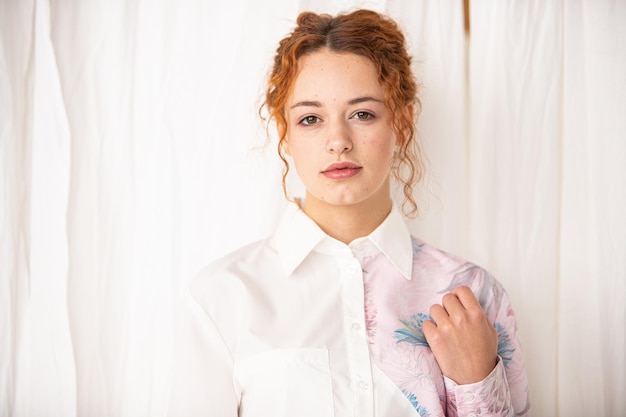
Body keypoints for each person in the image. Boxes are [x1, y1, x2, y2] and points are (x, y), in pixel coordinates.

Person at [168, 9, 529, 417]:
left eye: (362, 114)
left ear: (403, 123)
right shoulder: (223, 296)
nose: (338, 141)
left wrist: (477, 384)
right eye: (310, 118)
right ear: (285, 134)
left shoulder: (473, 294)